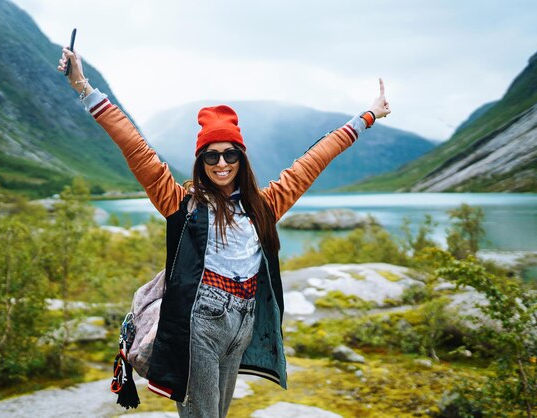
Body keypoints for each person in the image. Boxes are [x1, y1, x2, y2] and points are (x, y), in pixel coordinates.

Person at [58, 47, 390, 418]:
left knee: (218, 412)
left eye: (230, 154)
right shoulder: (181, 204)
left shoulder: (263, 206)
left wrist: (368, 116)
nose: (221, 163)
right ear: (201, 161)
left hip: (243, 323)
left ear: (241, 159)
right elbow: (135, 146)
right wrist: (84, 87)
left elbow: (314, 161)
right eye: (211, 155)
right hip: (200, 321)